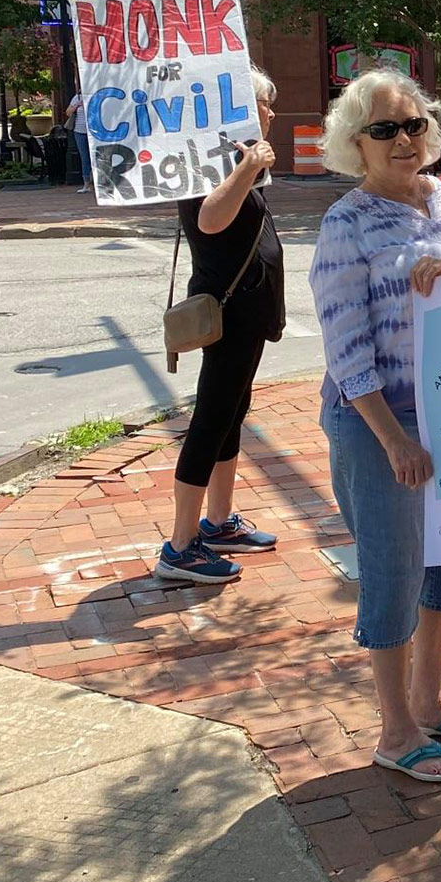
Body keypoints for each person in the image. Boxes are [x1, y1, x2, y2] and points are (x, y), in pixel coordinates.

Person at [308, 69, 441, 782]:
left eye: (414, 124)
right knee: (394, 570)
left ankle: (429, 700)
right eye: (384, 129)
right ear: (355, 144)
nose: (404, 140)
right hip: (380, 420)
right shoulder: (346, 223)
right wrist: (394, 440)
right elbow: (346, 345)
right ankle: (395, 731)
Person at [153, 68, 286, 585]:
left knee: (232, 415)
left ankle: (217, 521)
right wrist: (248, 167)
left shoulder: (233, 159)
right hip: (228, 316)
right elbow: (209, 220)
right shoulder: (205, 164)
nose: (271, 114)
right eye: (262, 104)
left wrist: (249, 165)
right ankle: (181, 545)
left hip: (248, 314)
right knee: (210, 420)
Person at [63, 90, 93, 194]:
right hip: (79, 131)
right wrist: (77, 105)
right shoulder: (78, 97)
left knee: (97, 156)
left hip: (94, 131)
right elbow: (68, 112)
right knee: (84, 157)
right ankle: (86, 184)